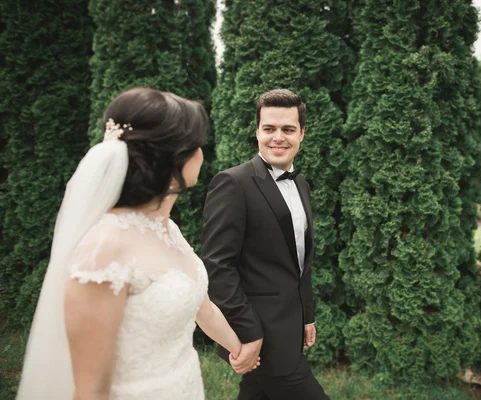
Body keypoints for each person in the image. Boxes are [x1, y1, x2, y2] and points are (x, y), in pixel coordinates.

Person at [17, 88, 257, 400]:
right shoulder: (105, 249)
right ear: (167, 160)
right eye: (195, 145)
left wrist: (240, 347)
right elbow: (90, 390)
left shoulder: (166, 229)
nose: (202, 153)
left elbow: (201, 305)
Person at [202, 88, 329, 399]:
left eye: (288, 129)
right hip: (260, 335)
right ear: (257, 131)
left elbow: (297, 261)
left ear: (302, 133)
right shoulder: (233, 184)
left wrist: (306, 314)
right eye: (269, 128)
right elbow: (218, 266)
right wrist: (247, 332)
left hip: (289, 326)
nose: (278, 137)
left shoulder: (300, 184)